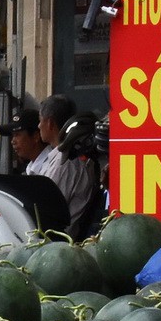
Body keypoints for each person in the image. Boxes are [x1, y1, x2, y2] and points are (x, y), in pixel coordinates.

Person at [29, 94, 98, 230]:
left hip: (57, 240)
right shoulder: (60, 157)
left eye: (40, 120)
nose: (38, 125)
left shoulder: (66, 162)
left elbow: (45, 207)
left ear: (49, 123)